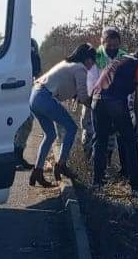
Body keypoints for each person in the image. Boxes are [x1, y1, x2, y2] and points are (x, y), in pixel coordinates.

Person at [91, 44, 138, 195]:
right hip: (114, 101)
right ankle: (136, 186)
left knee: (101, 141)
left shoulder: (121, 59)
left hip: (97, 99)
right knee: (130, 142)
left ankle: (97, 183)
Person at [28, 43, 96, 188]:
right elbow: (84, 97)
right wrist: (97, 107)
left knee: (50, 135)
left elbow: (70, 89)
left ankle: (37, 171)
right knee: (71, 128)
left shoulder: (68, 64)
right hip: (45, 97)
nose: (93, 64)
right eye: (93, 60)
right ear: (87, 58)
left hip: (35, 95)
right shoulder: (80, 68)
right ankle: (61, 164)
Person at [82, 27, 127, 156]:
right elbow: (88, 80)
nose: (112, 48)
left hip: (113, 102)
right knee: (90, 132)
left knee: (111, 135)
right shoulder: (95, 56)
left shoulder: (123, 56)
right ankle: (87, 158)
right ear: (102, 42)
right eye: (109, 45)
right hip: (93, 99)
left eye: (115, 45)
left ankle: (105, 163)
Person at [14, 39, 43, 170]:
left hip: (26, 88)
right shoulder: (13, 43)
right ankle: (14, 158)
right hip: (14, 89)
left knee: (26, 123)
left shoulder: (31, 43)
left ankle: (18, 156)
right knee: (19, 124)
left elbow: (37, 71)